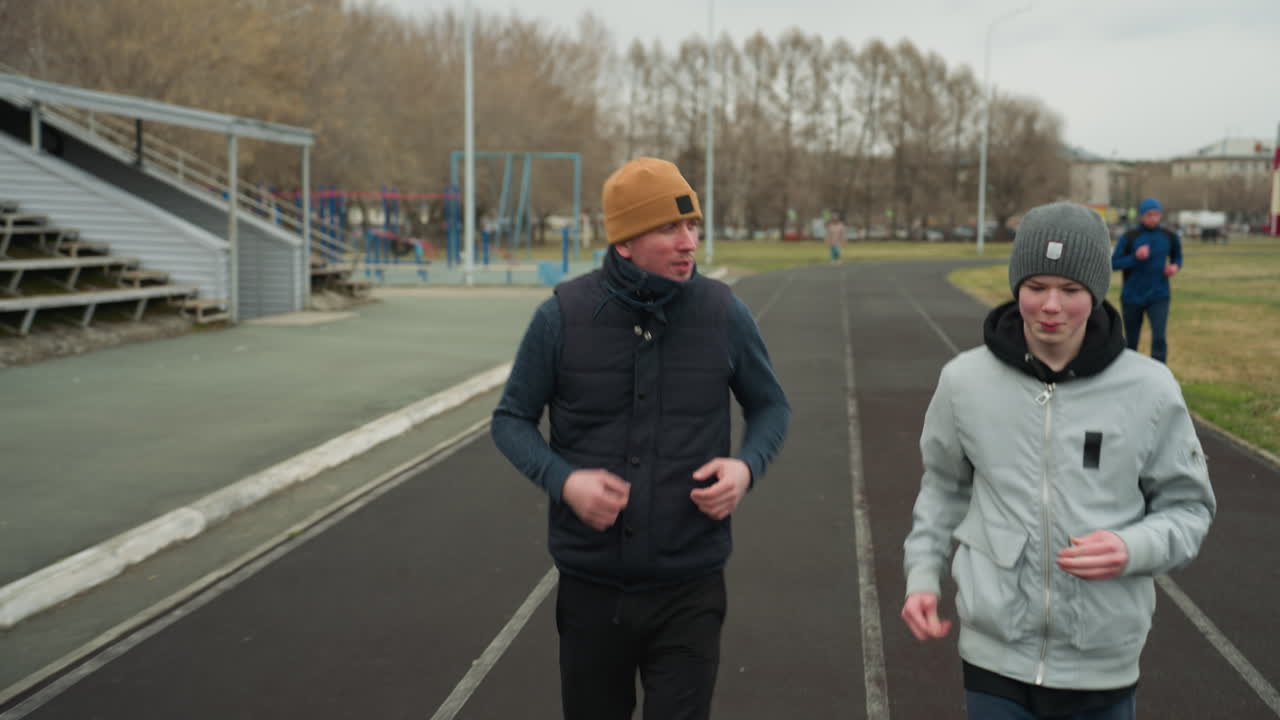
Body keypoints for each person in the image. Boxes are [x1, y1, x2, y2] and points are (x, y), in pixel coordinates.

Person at [491, 156, 791, 720]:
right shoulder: (560, 318)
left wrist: (746, 467)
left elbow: (771, 405)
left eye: (693, 226)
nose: (688, 242)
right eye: (670, 228)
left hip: (691, 587)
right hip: (591, 589)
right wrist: (565, 482)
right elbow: (509, 420)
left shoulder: (725, 314)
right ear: (625, 242)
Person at [901, 201, 1216, 720]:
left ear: (1095, 293)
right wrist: (921, 578)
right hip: (994, 654)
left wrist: (1131, 547)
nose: (1051, 305)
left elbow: (1189, 510)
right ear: (1016, 287)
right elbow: (942, 488)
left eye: (1070, 290)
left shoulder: (1150, 389)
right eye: (1035, 287)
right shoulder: (964, 381)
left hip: (1102, 658)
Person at [1111, 196, 1183, 363]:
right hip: (1132, 297)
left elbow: (1177, 257)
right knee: (1131, 342)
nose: (1153, 218)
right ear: (1142, 216)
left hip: (1159, 296)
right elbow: (1114, 264)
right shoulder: (1129, 237)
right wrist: (1135, 257)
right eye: (1149, 214)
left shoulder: (1168, 236)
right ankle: (1130, 374)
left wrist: (1175, 267)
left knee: (1159, 337)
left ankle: (1159, 375)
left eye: (1156, 214)